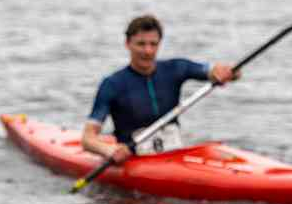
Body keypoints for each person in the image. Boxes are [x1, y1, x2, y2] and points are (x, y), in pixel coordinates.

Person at [82, 14, 240, 165]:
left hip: (175, 155)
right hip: (134, 159)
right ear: (127, 44)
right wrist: (109, 150)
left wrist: (227, 72)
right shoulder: (112, 84)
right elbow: (88, 139)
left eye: (153, 44)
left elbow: (221, 71)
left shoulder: (176, 68)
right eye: (141, 44)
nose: (148, 51)